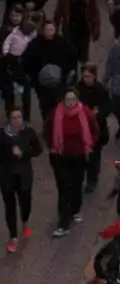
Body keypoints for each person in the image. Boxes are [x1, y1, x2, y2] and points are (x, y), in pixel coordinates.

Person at [46, 86, 96, 235]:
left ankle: (75, 210)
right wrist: (52, 146)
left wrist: (90, 144)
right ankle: (63, 223)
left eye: (73, 99)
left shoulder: (85, 112)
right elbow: (47, 130)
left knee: (77, 183)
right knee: (64, 187)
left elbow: (95, 130)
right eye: (68, 99)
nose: (70, 102)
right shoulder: (56, 113)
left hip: (80, 155)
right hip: (61, 156)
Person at [0, 106, 41, 251]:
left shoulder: (28, 132)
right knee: (9, 206)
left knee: (25, 203)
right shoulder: (3, 134)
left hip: (24, 175)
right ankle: (13, 237)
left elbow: (38, 149)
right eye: (14, 118)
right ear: (9, 119)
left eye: (19, 117)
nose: (17, 120)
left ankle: (25, 221)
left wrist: (23, 153)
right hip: (6, 176)